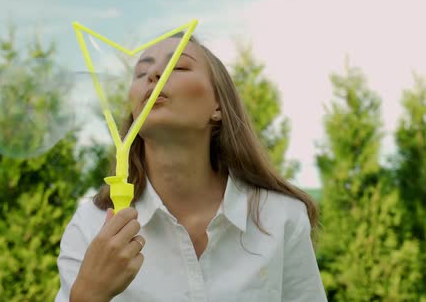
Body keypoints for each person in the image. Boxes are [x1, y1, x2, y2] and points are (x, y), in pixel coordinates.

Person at [55, 33, 327, 302]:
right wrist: (88, 295)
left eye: (178, 66)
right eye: (141, 73)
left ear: (218, 106)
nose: (154, 75)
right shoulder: (91, 225)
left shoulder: (281, 217)